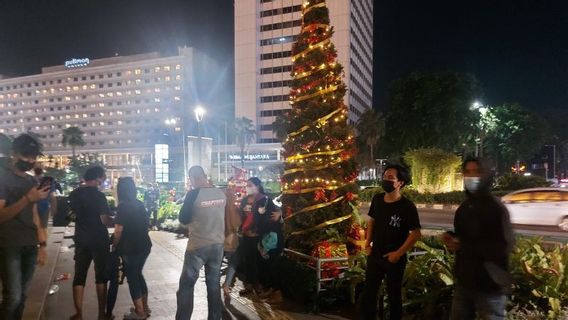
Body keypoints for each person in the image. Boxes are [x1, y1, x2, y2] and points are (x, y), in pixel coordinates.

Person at [441, 158, 513, 320]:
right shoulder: (464, 208)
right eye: (467, 172)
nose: (471, 176)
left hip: (490, 285)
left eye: (476, 171)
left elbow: (503, 246)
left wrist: (463, 245)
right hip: (465, 282)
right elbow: (462, 236)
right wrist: (451, 238)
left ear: (485, 175)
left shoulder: (496, 208)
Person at [361, 164, 422, 320]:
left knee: (394, 297)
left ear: (400, 182)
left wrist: (398, 253)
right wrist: (367, 244)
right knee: (369, 294)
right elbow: (372, 221)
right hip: (375, 255)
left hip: (394, 259)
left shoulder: (407, 206)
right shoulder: (377, 199)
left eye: (390, 177)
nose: (385, 180)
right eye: (385, 176)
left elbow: (415, 234)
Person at [0, 133, 50, 320]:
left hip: (30, 244)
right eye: (26, 155)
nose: (30, 160)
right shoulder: (2, 178)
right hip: (9, 244)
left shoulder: (31, 181)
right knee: (12, 298)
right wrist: (27, 198)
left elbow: (35, 215)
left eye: (33, 157)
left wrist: (43, 245)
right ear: (14, 154)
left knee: (22, 298)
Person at [175, 166, 227, 320]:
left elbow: (183, 219)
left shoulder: (193, 194)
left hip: (197, 246)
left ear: (193, 178)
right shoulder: (220, 193)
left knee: (186, 286)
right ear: (205, 176)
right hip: (218, 245)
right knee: (213, 285)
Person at [69, 166, 112, 320]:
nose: (104, 181)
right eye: (103, 178)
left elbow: (72, 215)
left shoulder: (74, 194)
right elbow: (104, 219)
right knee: (101, 276)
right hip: (99, 240)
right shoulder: (99, 196)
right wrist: (113, 221)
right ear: (98, 178)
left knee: (79, 276)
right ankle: (101, 314)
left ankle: (79, 314)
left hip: (81, 238)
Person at [112, 177, 152, 319]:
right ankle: (144, 307)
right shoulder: (139, 204)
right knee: (138, 274)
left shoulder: (122, 207)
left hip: (130, 248)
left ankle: (139, 312)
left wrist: (114, 246)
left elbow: (118, 231)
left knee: (133, 277)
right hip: (145, 245)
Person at [238, 177, 283, 300]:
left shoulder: (264, 200)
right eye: (247, 185)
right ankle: (251, 285)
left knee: (263, 264)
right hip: (248, 236)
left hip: (262, 238)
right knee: (249, 262)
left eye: (250, 184)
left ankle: (266, 288)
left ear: (257, 186)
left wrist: (279, 215)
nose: (248, 187)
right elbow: (241, 216)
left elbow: (272, 215)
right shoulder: (245, 201)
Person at [221, 183, 242, 301]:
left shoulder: (220, 207)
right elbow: (236, 223)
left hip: (218, 239)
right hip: (230, 239)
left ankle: (217, 286)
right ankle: (227, 284)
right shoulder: (232, 208)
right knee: (233, 262)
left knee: (217, 263)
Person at [33, 167, 57, 240]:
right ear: (42, 171)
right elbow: (52, 197)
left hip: (32, 206)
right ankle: (43, 244)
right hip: (44, 206)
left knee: (35, 226)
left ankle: (38, 242)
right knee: (43, 227)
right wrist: (53, 209)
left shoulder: (30, 180)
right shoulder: (48, 181)